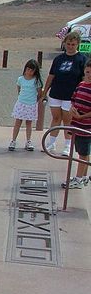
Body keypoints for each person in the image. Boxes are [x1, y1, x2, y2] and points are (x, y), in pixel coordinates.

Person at [41, 31, 87, 155]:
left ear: (77, 44)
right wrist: (45, 91)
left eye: (73, 44)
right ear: (64, 44)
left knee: (68, 120)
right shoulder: (58, 59)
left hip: (71, 95)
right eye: (68, 44)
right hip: (56, 93)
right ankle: (51, 143)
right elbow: (51, 76)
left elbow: (84, 78)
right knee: (56, 118)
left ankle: (67, 146)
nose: (70, 46)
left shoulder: (82, 59)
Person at [62, 59, 91, 189]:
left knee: (83, 153)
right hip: (76, 125)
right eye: (87, 72)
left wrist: (82, 116)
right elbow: (74, 99)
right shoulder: (81, 85)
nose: (89, 74)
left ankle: (78, 179)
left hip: (86, 125)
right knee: (82, 150)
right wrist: (73, 109)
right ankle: (84, 176)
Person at [9, 59, 43, 151]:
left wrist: (35, 100)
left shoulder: (36, 81)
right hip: (21, 103)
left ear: (35, 71)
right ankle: (13, 140)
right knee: (18, 122)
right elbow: (19, 90)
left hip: (31, 104)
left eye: (32, 70)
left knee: (29, 123)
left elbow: (39, 93)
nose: (29, 72)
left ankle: (28, 141)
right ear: (25, 69)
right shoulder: (20, 79)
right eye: (28, 69)